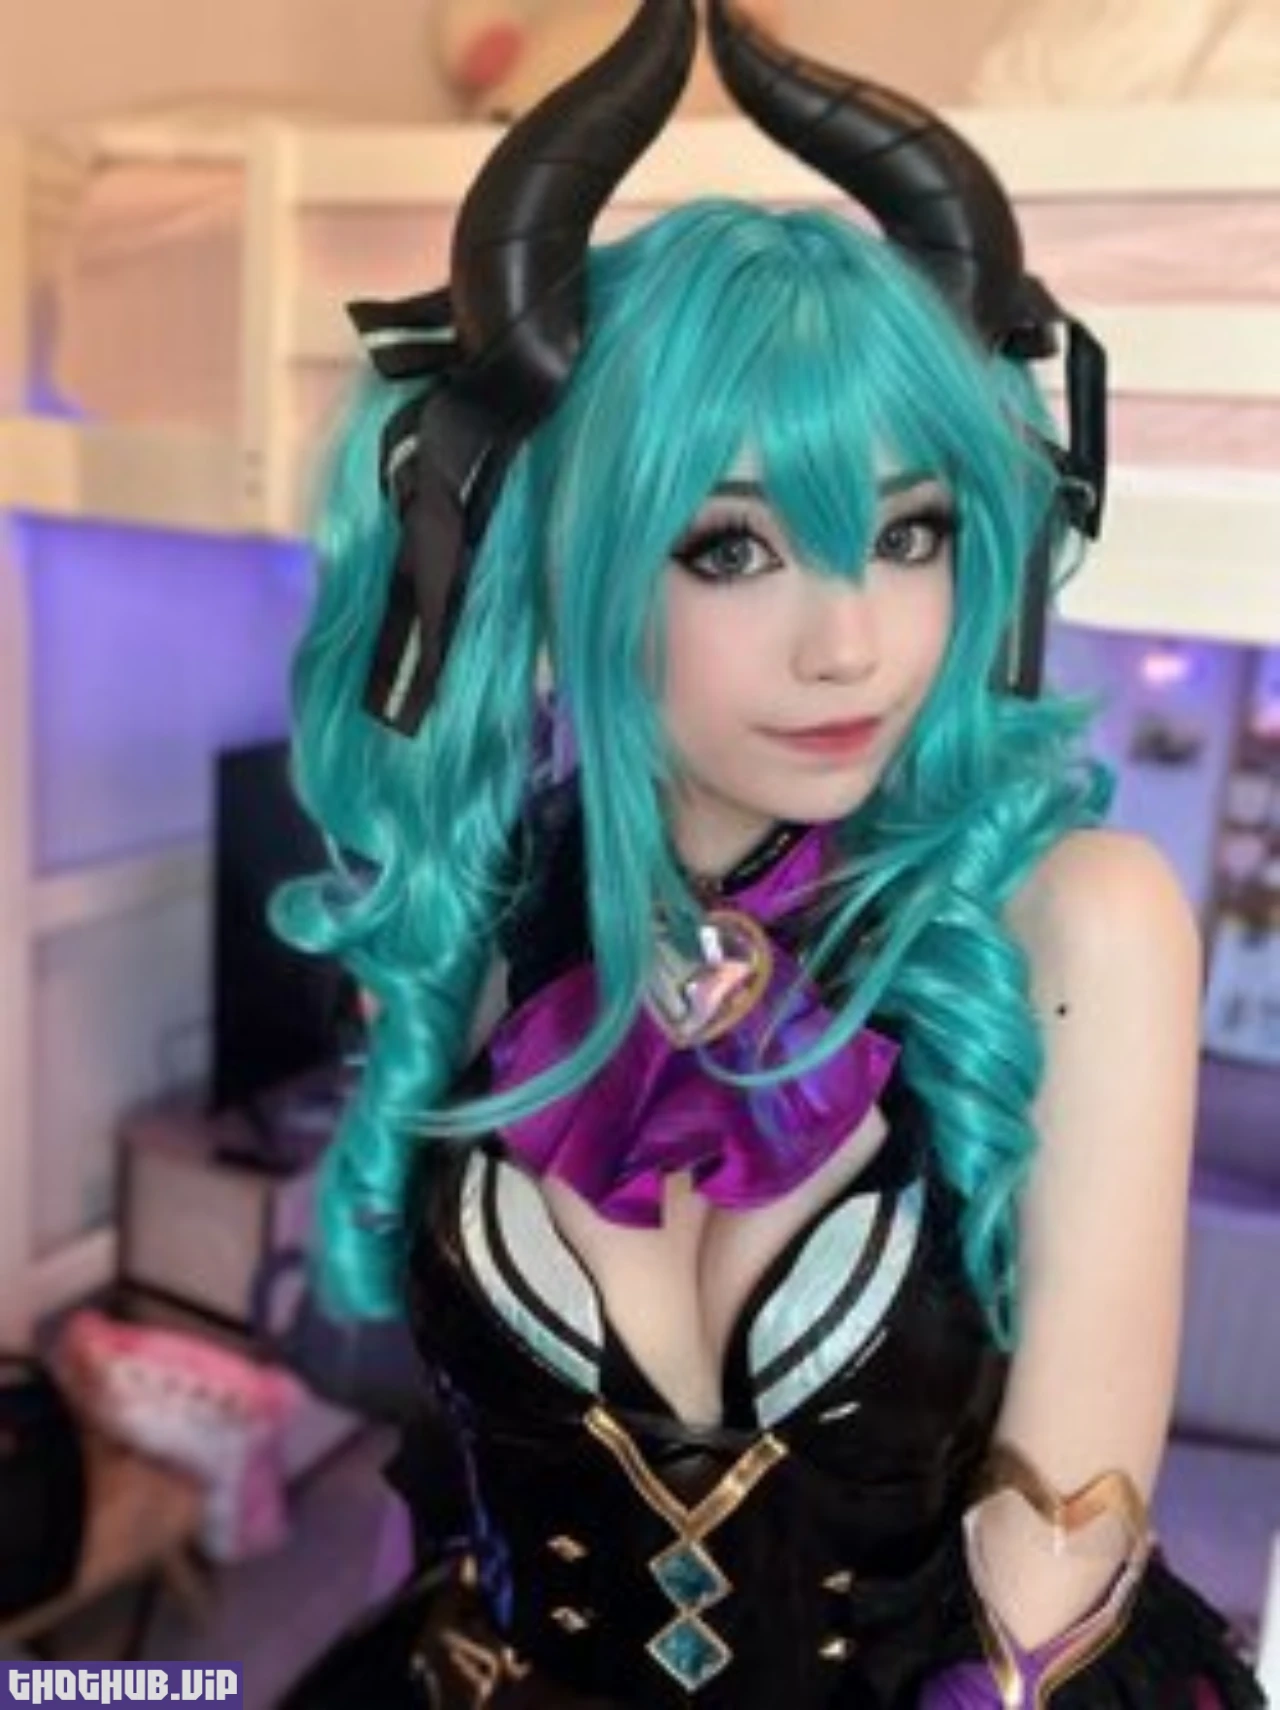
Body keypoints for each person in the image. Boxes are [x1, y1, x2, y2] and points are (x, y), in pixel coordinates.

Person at [274, 3, 1267, 1705]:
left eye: (910, 532)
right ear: (571, 568)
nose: (853, 643)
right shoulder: (466, 914)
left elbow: (1054, 1596)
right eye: (732, 547)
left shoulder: (1081, 923)